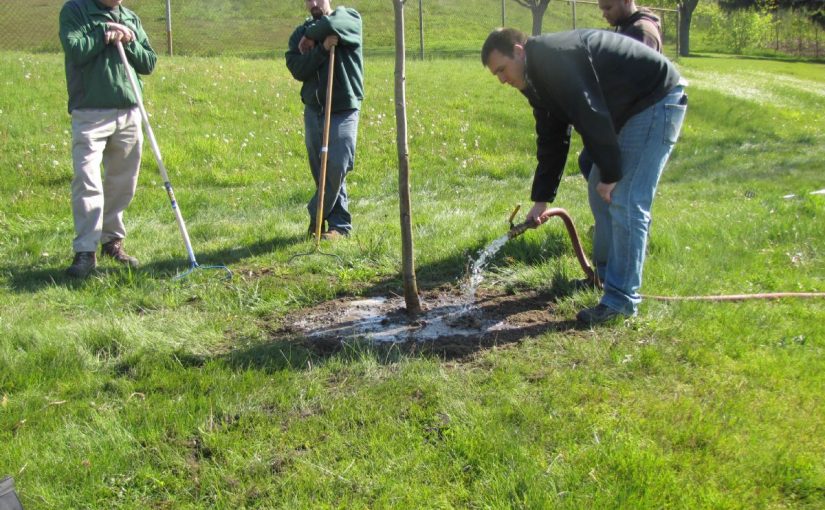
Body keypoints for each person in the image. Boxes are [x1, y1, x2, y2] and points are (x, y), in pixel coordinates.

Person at [481, 28, 687, 325]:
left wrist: (612, 173)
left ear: (519, 50)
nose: (502, 80)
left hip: (655, 101)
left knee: (626, 199)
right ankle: (604, 279)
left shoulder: (554, 56)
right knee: (597, 190)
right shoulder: (534, 79)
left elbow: (588, 110)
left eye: (502, 69)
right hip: (627, 111)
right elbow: (552, 137)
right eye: (495, 75)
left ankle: (621, 301)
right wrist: (541, 200)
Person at [59, 0, 157, 278]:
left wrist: (129, 40)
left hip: (129, 110)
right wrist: (103, 32)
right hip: (89, 112)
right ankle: (85, 251)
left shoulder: (130, 17)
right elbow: (75, 51)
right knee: (87, 180)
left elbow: (149, 62)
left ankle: (112, 241)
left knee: (123, 181)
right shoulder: (75, 11)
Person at [286, 0, 364, 240]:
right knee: (321, 168)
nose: (314, 3)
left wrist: (312, 37)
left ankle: (317, 213)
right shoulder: (299, 33)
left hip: (343, 108)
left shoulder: (349, 18)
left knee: (338, 163)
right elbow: (297, 67)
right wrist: (321, 49)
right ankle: (339, 226)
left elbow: (334, 23)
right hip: (314, 109)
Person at [579, 0, 664, 180]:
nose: (604, 14)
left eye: (608, 8)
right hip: (623, 113)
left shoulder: (641, 32)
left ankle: (615, 203)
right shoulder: (627, 28)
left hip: (638, 117)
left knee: (595, 164)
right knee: (588, 161)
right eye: (602, 8)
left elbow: (634, 84)